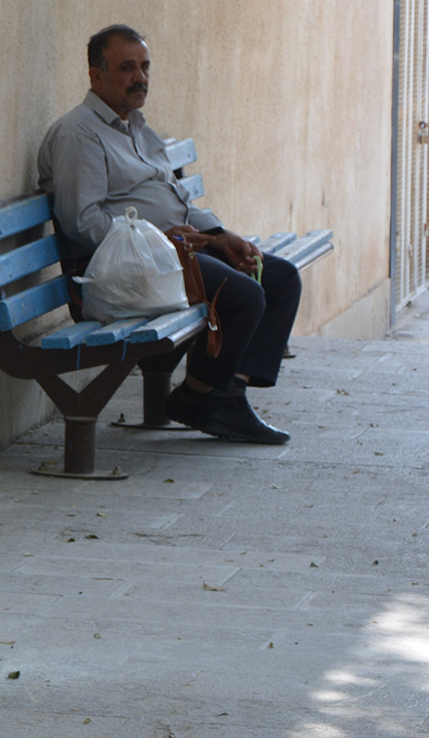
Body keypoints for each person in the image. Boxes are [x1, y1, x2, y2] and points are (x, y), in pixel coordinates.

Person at [36, 24, 302, 445]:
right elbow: (81, 223)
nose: (140, 77)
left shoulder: (138, 129)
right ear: (96, 75)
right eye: (127, 67)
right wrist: (158, 241)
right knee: (243, 296)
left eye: (144, 66)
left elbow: (176, 201)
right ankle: (206, 398)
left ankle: (219, 393)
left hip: (169, 256)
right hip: (120, 271)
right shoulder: (79, 133)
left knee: (279, 277)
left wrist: (220, 235)